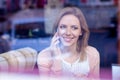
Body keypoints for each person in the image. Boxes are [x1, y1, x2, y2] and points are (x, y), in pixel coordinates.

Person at [37, 7, 100, 79]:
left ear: (81, 32)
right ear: (57, 30)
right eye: (63, 27)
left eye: (74, 28)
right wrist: (56, 60)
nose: (68, 33)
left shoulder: (93, 54)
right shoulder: (44, 56)